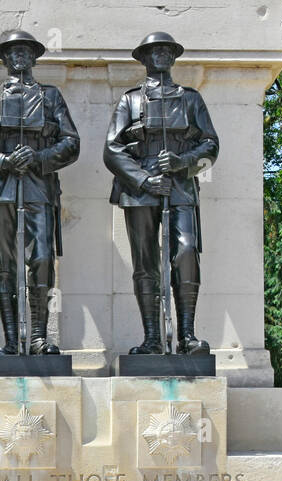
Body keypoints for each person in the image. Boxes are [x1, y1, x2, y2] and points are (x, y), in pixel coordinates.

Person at [0, 30, 79, 355]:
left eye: (26, 51)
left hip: (39, 188)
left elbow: (71, 143)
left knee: (41, 259)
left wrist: (40, 158)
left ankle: (39, 336)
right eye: (13, 52)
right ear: (5, 58)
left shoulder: (50, 96)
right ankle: (11, 340)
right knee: (4, 265)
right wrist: (3, 161)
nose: (20, 57)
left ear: (35, 56)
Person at [104, 31, 219, 355]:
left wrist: (184, 161)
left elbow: (210, 145)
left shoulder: (190, 98)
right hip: (139, 188)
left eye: (167, 51)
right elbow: (112, 150)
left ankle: (186, 336)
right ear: (143, 58)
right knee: (146, 263)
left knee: (186, 253)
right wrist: (144, 180)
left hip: (180, 184)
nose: (162, 55)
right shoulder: (130, 100)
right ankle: (152, 338)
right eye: (155, 51)